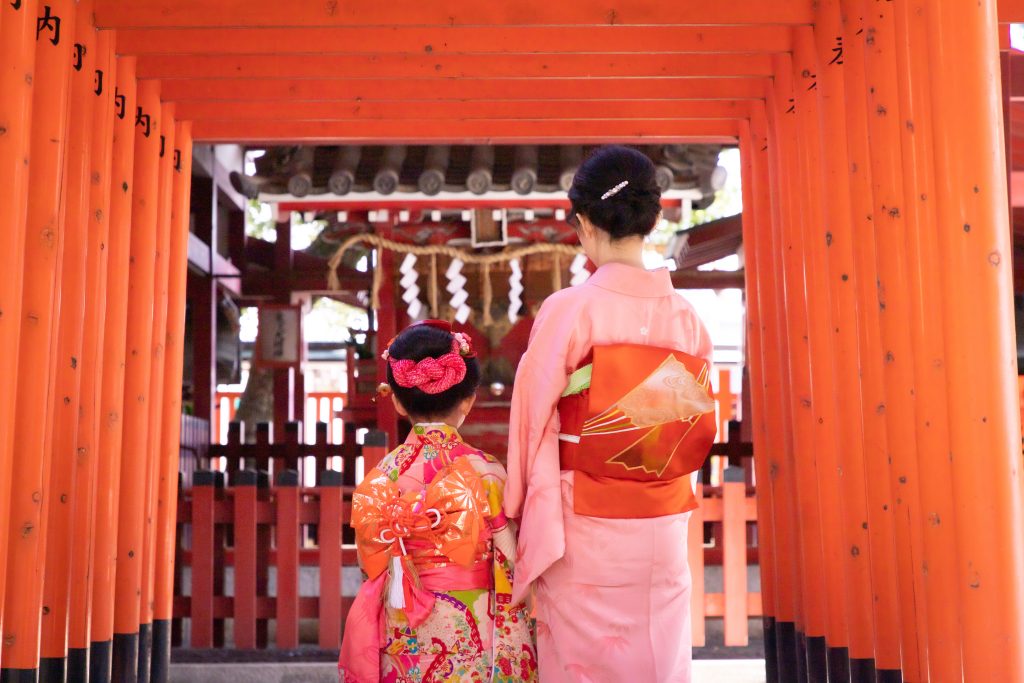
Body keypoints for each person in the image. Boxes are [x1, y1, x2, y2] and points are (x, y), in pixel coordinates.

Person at [504, 145, 716, 682]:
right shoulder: (686, 317)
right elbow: (688, 424)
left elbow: (531, 417)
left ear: (583, 223)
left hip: (587, 517)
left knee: (581, 660)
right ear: (653, 217)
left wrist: (514, 509)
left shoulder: (570, 310)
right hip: (663, 513)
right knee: (657, 653)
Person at [339, 320, 538, 683]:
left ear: (397, 401)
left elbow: (369, 564)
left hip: (403, 626)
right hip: (474, 630)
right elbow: (511, 555)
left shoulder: (383, 474)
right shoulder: (486, 470)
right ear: (469, 399)